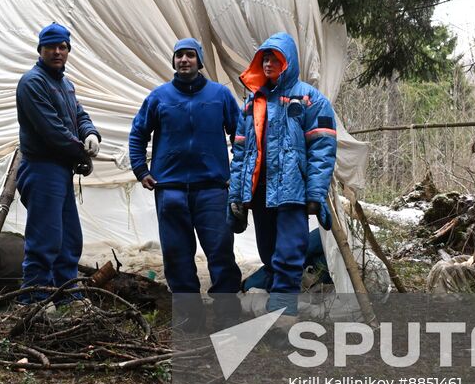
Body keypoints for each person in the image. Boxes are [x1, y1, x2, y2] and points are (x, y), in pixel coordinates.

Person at [227, 32, 338, 314]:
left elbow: (322, 150)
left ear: (287, 62)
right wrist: (237, 195)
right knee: (268, 251)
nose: (267, 64)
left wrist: (315, 192)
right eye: (264, 59)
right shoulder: (253, 102)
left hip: (292, 191)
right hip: (260, 191)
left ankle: (283, 312)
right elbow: (240, 152)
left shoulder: (311, 100)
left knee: (289, 253)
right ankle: (276, 307)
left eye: (274, 58)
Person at [128, 37, 242, 298]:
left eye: (190, 55)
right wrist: (141, 170)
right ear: (174, 61)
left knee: (221, 250)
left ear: (199, 60)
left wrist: (237, 174)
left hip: (212, 189)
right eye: (179, 55)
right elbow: (138, 133)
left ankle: (226, 311)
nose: (184, 60)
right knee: (176, 254)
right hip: (170, 190)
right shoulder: (159, 97)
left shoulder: (220, 95)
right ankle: (189, 316)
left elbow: (241, 137)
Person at [15, 22, 99, 301]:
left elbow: (79, 115)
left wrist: (90, 133)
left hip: (60, 169)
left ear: (68, 50)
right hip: (41, 169)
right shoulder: (32, 83)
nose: (57, 52)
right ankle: (35, 300)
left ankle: (67, 295)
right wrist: (80, 153)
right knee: (45, 239)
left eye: (62, 47)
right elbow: (52, 130)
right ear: (40, 50)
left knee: (69, 239)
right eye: (50, 46)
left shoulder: (66, 84)